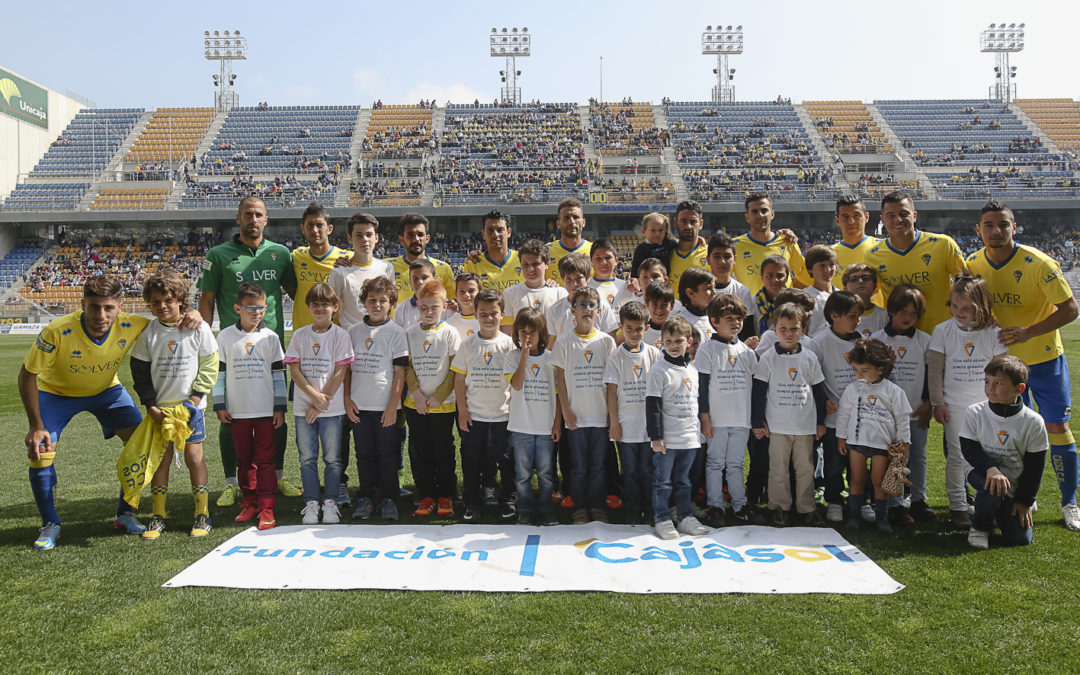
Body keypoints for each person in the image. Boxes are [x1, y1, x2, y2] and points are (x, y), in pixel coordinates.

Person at [19, 275, 201, 549]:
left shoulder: (134, 324)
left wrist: (193, 312)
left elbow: (168, 318)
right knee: (42, 452)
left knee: (142, 445)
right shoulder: (57, 330)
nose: (101, 315)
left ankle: (124, 513)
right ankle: (50, 524)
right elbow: (27, 375)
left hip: (107, 393)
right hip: (56, 394)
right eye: (94, 307)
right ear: (82, 305)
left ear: (120, 305)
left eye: (109, 308)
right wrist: (35, 425)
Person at [966, 200, 1079, 531]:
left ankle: (1070, 501)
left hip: (1044, 360)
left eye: (1003, 224)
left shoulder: (1038, 263)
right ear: (979, 230)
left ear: (1014, 227)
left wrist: (1028, 332)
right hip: (1005, 366)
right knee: (1014, 433)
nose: (996, 231)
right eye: (989, 225)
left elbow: (1070, 309)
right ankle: (1023, 493)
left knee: (1055, 427)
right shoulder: (973, 263)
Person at [198, 196, 300, 506]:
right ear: (238, 218)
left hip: (272, 349)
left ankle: (278, 476)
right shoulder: (218, 255)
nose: (253, 219)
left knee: (276, 414)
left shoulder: (280, 254)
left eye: (258, 215)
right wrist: (202, 342)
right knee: (231, 415)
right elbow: (206, 299)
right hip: (233, 351)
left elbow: (299, 295)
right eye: (248, 214)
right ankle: (231, 482)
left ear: (266, 220)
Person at [131, 270, 218, 540]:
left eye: (168, 300)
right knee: (161, 462)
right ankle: (158, 515)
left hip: (190, 409)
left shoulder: (197, 328)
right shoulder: (148, 333)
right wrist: (150, 405)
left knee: (194, 458)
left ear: (180, 299)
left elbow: (210, 364)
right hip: (161, 412)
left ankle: (202, 513)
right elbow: (140, 373)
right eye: (155, 302)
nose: (162, 306)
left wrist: (195, 399)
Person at [928, 276, 1008, 528]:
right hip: (954, 406)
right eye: (954, 306)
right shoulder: (942, 330)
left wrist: (1000, 405)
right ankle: (958, 507)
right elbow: (935, 371)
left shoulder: (994, 333)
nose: (958, 313)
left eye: (966, 308)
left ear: (981, 306)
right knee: (956, 456)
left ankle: (993, 505)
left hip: (988, 407)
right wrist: (937, 402)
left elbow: (1002, 373)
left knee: (991, 456)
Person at [213, 283, 287, 531]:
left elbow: (278, 374)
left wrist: (280, 407)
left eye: (261, 309)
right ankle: (250, 502)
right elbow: (219, 373)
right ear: (237, 308)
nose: (257, 313)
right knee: (243, 461)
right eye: (251, 308)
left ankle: (266, 506)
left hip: (265, 410)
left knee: (266, 461)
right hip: (238, 411)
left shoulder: (271, 337)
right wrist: (220, 404)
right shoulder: (225, 336)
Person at [751, 303, 827, 527]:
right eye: (783, 328)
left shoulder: (810, 358)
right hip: (777, 426)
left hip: (805, 426)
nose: (789, 334)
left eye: (794, 329)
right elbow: (758, 392)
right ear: (774, 329)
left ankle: (806, 509)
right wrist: (757, 421)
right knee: (778, 469)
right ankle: (779, 507)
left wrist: (821, 422)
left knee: (805, 469)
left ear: (803, 330)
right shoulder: (768, 358)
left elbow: (819, 392)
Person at [960, 355, 1048, 548]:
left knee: (1020, 540)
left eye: (998, 383)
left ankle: (998, 509)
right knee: (990, 486)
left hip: (1013, 481)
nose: (989, 389)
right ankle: (981, 527)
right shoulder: (975, 412)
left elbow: (1035, 466)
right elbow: (969, 449)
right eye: (987, 382)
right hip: (981, 472)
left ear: (1020, 388)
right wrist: (991, 468)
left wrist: (1025, 500)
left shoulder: (1033, 422)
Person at [285, 283, 353, 525]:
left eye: (325, 304)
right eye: (315, 304)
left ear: (335, 306)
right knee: (307, 458)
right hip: (304, 409)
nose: (320, 308)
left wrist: (320, 403)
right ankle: (312, 503)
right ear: (308, 307)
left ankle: (331, 503)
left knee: (333, 458)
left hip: (331, 410)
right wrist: (313, 397)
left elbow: (340, 371)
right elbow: (294, 370)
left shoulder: (341, 336)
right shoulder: (300, 335)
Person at [871, 285, 937, 523]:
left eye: (913, 313)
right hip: (889, 414)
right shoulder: (877, 339)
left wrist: (929, 403)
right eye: (903, 312)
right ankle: (895, 504)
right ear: (891, 311)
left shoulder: (924, 340)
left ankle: (918, 500)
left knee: (918, 456)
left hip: (917, 411)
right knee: (895, 458)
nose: (908, 317)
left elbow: (931, 373)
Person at [345, 276, 407, 521]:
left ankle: (390, 498)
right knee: (364, 454)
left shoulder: (396, 332)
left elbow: (400, 372)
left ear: (391, 303)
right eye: (372, 300)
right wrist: (348, 399)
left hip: (386, 407)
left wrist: (393, 406)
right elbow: (347, 370)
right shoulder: (353, 332)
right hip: (359, 405)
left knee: (388, 454)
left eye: (383, 300)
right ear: (363, 302)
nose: (377, 304)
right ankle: (366, 497)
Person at [552, 287, 616, 524]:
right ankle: (579, 505)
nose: (587, 309)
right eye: (582, 305)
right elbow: (560, 379)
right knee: (578, 465)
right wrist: (566, 411)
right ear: (573, 311)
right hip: (576, 417)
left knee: (599, 465)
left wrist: (611, 413)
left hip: (600, 417)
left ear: (599, 311)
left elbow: (611, 382)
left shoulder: (607, 342)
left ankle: (597, 505)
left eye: (591, 305)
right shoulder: (564, 341)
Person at [835, 338, 913, 533]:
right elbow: (843, 413)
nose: (859, 375)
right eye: (856, 370)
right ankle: (854, 517)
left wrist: (904, 443)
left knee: (879, 481)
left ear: (881, 368)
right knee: (856, 479)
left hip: (882, 444)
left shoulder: (894, 391)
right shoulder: (853, 389)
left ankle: (882, 519)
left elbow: (902, 418)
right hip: (857, 442)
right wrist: (841, 437)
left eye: (865, 371)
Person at [451, 288, 515, 522]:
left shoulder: (509, 345)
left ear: (503, 314)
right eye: (483, 313)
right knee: (471, 461)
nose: (489, 318)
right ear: (476, 314)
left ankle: (507, 500)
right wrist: (463, 410)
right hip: (474, 416)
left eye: (494, 313)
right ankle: (472, 503)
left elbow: (515, 381)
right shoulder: (468, 344)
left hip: (504, 416)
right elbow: (459, 378)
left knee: (507, 461)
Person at [864, 191, 965, 333]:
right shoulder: (872, 256)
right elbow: (870, 297)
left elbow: (967, 285)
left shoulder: (943, 244)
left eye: (904, 214)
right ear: (883, 220)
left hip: (943, 335)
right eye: (890, 216)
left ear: (914, 216)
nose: (898, 220)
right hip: (900, 339)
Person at [646, 316, 709, 539]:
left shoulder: (693, 371)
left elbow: (698, 403)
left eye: (678, 341)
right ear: (662, 341)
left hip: (689, 437)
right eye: (669, 341)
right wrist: (656, 436)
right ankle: (662, 518)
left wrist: (699, 430)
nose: (673, 346)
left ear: (689, 342)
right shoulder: (658, 371)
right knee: (662, 481)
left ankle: (684, 517)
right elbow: (652, 406)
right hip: (667, 438)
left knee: (684, 481)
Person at [696, 294, 757, 526]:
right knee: (714, 463)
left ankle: (740, 506)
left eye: (739, 318)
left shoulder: (747, 352)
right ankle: (715, 506)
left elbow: (755, 386)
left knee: (735, 463)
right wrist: (705, 417)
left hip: (742, 419)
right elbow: (702, 387)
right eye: (729, 318)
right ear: (714, 320)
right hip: (717, 420)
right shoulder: (706, 350)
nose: (736, 323)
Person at [404, 279, 461, 518]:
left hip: (443, 405)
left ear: (444, 306)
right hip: (414, 404)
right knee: (419, 450)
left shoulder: (450, 332)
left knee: (443, 450)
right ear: (417, 305)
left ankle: (445, 494)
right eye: (424, 307)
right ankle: (426, 494)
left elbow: (454, 369)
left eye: (434, 307)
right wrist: (417, 394)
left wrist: (439, 396)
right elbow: (406, 366)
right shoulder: (409, 333)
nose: (429, 312)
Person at [604, 301, 662, 525]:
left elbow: (660, 391)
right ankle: (633, 508)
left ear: (646, 327)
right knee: (629, 470)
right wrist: (615, 423)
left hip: (648, 427)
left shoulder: (655, 354)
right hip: (626, 426)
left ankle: (650, 508)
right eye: (629, 329)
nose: (634, 333)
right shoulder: (616, 357)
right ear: (621, 327)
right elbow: (611, 392)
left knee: (648, 470)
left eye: (639, 329)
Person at [808, 291, 864, 524]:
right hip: (833, 420)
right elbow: (812, 379)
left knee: (857, 464)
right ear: (834, 315)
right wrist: (823, 404)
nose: (858, 320)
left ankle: (859, 501)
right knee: (833, 464)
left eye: (859, 316)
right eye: (852, 316)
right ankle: (833, 501)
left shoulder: (863, 341)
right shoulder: (818, 342)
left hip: (860, 418)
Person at [506, 308, 562, 526]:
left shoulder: (551, 359)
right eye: (523, 332)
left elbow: (558, 395)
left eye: (533, 332)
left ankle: (547, 507)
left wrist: (557, 423)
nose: (528, 337)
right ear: (517, 334)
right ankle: (526, 508)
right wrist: (524, 357)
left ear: (542, 333)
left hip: (546, 427)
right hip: (522, 426)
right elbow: (517, 384)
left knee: (547, 472)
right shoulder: (511, 357)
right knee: (522, 473)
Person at [734, 192, 811, 295]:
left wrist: (789, 289)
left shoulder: (787, 241)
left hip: (783, 308)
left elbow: (805, 275)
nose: (760, 215)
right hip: (751, 309)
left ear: (772, 214)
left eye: (764, 210)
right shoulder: (735, 245)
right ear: (747, 217)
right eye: (754, 212)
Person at [291, 202, 351, 331]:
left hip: (335, 336)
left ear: (329, 229)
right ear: (303, 228)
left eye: (319, 225)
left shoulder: (347, 259)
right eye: (310, 225)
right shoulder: (296, 256)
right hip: (303, 334)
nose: (314, 230)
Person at [329, 212, 394, 329]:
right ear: (350, 238)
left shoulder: (387, 268)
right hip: (351, 341)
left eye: (369, 235)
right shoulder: (339, 273)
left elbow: (390, 305)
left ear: (376, 238)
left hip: (381, 336)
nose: (365, 239)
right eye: (359, 235)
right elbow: (330, 310)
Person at [545, 253, 618, 342]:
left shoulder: (602, 306)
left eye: (578, 278)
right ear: (562, 279)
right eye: (569, 279)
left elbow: (612, 341)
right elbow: (552, 345)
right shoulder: (554, 310)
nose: (574, 284)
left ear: (588, 278)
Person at [502, 239, 566, 337]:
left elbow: (563, 330)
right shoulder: (510, 294)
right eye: (526, 264)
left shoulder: (560, 293)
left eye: (535, 264)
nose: (530, 269)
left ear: (547, 264)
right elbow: (508, 334)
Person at [386, 213, 456, 302]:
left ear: (427, 238)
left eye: (420, 234)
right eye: (410, 235)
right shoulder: (388, 267)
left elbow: (452, 302)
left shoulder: (444, 268)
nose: (416, 239)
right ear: (401, 239)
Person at [706, 232, 757, 343]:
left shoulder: (742, 291)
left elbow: (746, 332)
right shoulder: (701, 291)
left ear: (734, 259)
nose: (722, 261)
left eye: (727, 256)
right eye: (717, 256)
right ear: (708, 259)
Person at [831, 196, 881, 303]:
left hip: (878, 317)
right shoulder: (829, 255)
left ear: (866, 217)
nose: (851, 221)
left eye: (857, 215)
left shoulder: (883, 248)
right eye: (845, 216)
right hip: (841, 317)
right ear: (837, 220)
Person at [465, 210, 523, 292]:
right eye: (490, 230)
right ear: (483, 234)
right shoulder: (473, 264)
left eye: (500, 230)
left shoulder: (523, 260)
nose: (495, 235)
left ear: (509, 232)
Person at [667, 200, 709, 293]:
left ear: (701, 224)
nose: (688, 226)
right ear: (675, 222)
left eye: (693, 221)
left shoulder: (711, 255)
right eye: (683, 221)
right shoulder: (665, 253)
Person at [546, 198, 591, 285]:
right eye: (566, 218)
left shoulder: (595, 252)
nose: (571, 222)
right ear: (558, 224)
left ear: (583, 222)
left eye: (576, 217)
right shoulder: (546, 252)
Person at [842, 263, 888, 338]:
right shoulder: (840, 316)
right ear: (845, 288)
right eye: (854, 279)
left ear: (875, 285)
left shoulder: (885, 316)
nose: (860, 281)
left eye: (866, 278)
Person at [803, 245, 839, 338]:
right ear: (810, 269)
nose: (827, 270)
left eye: (831, 265)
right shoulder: (804, 297)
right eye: (822, 265)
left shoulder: (842, 296)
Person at [674, 267, 716, 343]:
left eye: (714, 287)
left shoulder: (717, 317)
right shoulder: (680, 323)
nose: (714, 292)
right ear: (690, 293)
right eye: (708, 288)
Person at [753, 255, 792, 335]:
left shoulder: (794, 303)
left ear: (787, 277)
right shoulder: (751, 301)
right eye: (769, 276)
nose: (774, 280)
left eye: (780, 276)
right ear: (762, 277)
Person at [630, 212, 677, 278]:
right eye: (653, 230)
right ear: (644, 231)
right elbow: (635, 273)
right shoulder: (640, 249)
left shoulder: (670, 244)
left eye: (660, 230)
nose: (657, 233)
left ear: (665, 231)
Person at [588, 238, 627, 309]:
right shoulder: (585, 287)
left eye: (608, 257)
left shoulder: (625, 287)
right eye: (598, 258)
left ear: (616, 261)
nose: (603, 262)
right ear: (591, 261)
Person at [445, 272, 481, 340]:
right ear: (456, 294)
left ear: (479, 292)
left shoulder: (489, 320)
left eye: (471, 291)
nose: (466, 295)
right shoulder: (449, 324)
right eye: (462, 291)